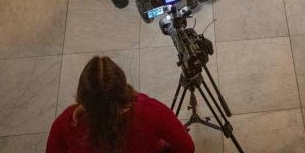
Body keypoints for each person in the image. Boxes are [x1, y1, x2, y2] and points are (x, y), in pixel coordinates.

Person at [46, 56, 194, 153]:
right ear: (123, 88)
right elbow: (187, 147)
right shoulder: (151, 111)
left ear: (83, 95)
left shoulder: (66, 123)